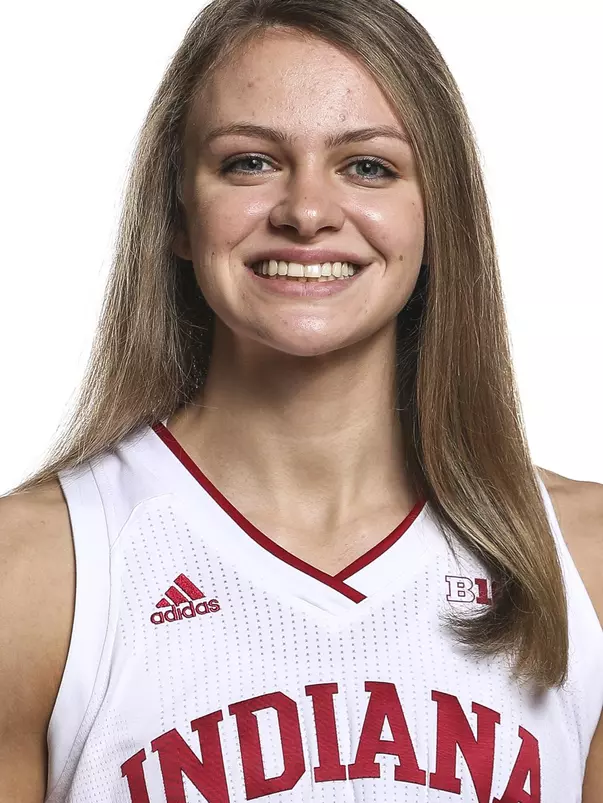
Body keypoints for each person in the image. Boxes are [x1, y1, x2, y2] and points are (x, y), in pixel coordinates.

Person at [0, 0, 601, 800]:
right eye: (250, 162)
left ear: (437, 213)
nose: (307, 213)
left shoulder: (581, 560)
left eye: (368, 167)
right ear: (177, 211)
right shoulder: (38, 573)